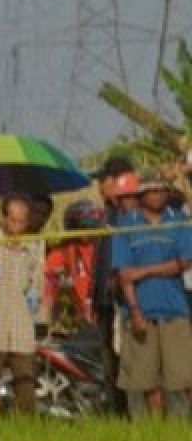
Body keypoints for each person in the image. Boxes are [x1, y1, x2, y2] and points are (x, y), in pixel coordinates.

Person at [111, 169, 192, 418]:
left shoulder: (179, 221)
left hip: (175, 311)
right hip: (140, 312)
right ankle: (150, 433)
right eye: (150, 191)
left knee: (181, 379)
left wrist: (143, 271)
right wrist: (135, 311)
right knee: (144, 382)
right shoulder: (126, 226)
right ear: (141, 195)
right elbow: (125, 275)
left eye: (161, 190)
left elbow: (184, 262)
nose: (156, 195)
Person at [0, 192, 47, 415]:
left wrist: (38, 314)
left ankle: (28, 427)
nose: (17, 226)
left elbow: (37, 285)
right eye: (12, 220)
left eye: (22, 221)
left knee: (25, 381)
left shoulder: (35, 247)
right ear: (3, 218)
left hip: (22, 324)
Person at [90, 157, 138, 416]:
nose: (100, 185)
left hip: (125, 302)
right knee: (111, 363)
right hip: (105, 303)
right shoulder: (106, 215)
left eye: (104, 179)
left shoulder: (131, 217)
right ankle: (117, 413)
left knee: (128, 361)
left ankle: (132, 414)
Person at [46, 199, 103, 326]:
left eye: (91, 228)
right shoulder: (61, 253)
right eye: (82, 228)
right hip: (70, 316)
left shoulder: (102, 249)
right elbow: (50, 288)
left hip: (98, 313)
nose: (87, 233)